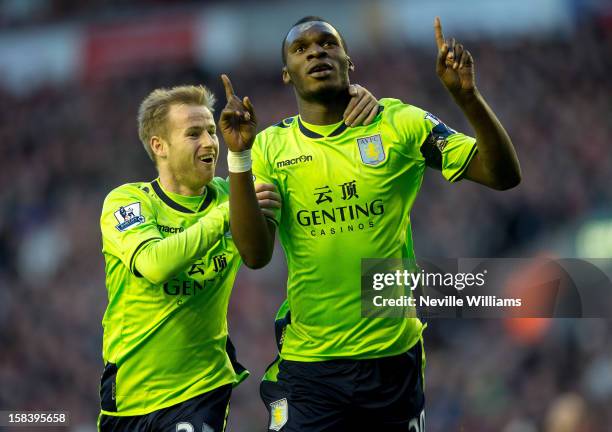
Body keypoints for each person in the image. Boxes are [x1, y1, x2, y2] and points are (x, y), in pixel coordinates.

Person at [219, 15, 521, 432]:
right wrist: (238, 159)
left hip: (392, 360)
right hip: (310, 365)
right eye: (301, 49)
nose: (316, 53)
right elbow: (254, 256)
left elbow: (502, 175)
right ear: (286, 75)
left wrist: (467, 98)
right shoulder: (270, 147)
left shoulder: (399, 124)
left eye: (327, 44)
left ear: (349, 60)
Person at [98, 83, 377, 431]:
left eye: (212, 131)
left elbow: (305, 159)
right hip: (128, 395)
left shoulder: (235, 195)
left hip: (201, 389)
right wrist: (228, 213)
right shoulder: (128, 202)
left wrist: (349, 103)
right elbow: (155, 265)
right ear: (160, 146)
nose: (209, 142)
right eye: (193, 133)